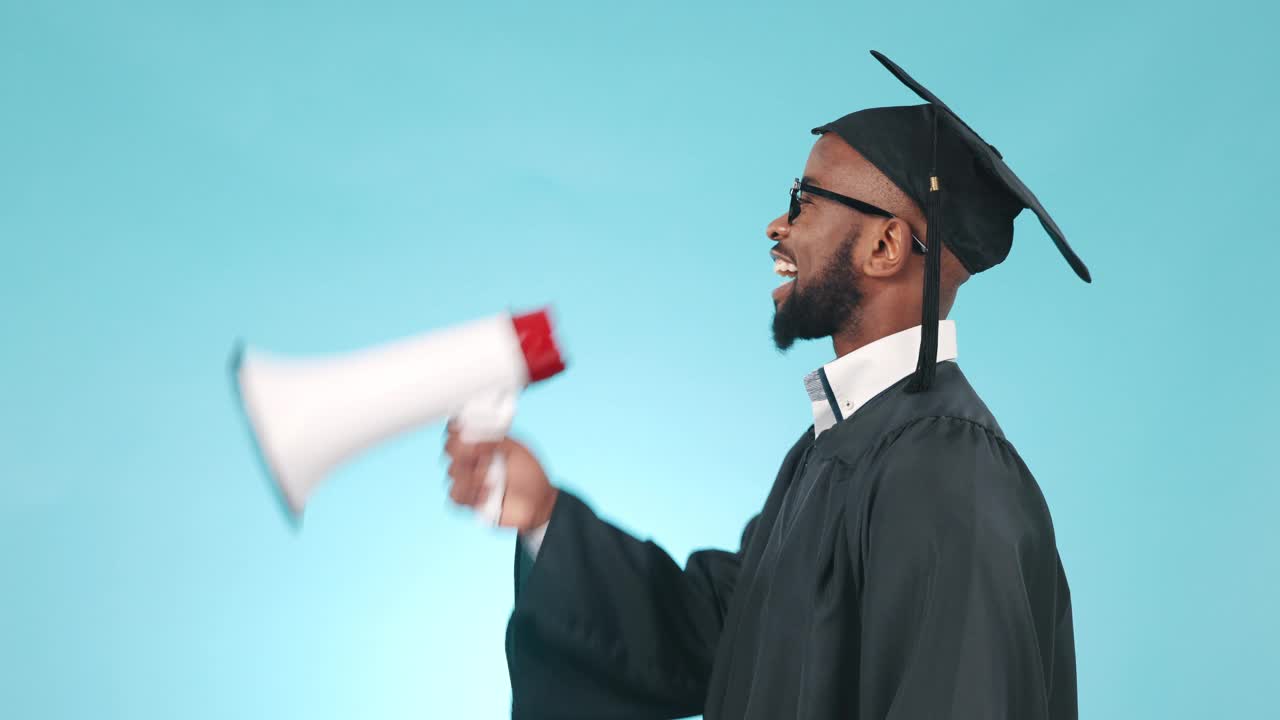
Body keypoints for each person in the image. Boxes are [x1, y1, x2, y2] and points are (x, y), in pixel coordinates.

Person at [443, 51, 1084, 720]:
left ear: (886, 247)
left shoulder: (950, 472)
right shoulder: (834, 449)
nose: (778, 228)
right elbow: (719, 633)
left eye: (804, 203)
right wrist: (542, 514)